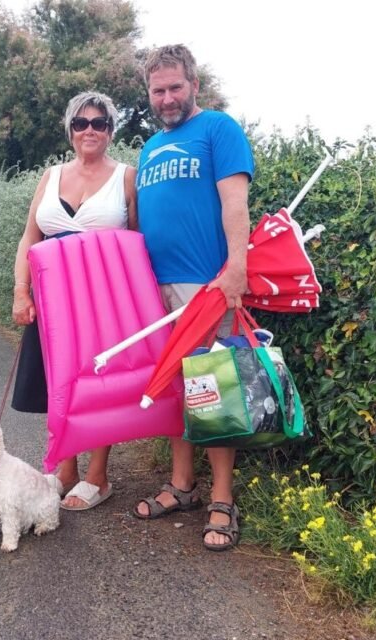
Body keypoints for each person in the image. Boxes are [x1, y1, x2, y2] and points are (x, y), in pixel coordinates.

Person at [133, 44, 255, 551]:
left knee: (215, 391)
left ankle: (222, 498)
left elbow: (235, 202)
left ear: (194, 85)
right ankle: (182, 487)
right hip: (154, 288)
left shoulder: (218, 129)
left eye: (174, 88)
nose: (166, 99)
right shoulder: (147, 149)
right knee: (174, 390)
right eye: (157, 91)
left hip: (205, 287)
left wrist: (236, 270)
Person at [10, 91, 138, 511]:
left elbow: (137, 242)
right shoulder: (50, 175)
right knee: (58, 381)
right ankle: (65, 469)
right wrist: (21, 291)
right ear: (70, 130)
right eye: (81, 123)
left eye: (99, 123)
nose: (89, 130)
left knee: (97, 386)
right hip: (51, 298)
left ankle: (98, 477)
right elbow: (31, 236)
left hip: (103, 299)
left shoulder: (126, 177)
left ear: (111, 131)